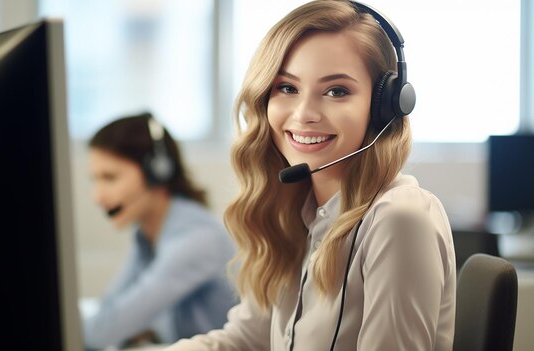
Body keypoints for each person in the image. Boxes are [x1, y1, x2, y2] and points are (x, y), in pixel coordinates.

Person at [164, 1, 456, 350]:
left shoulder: (400, 221)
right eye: (287, 88)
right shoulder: (297, 213)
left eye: (336, 91)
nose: (304, 114)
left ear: (384, 106)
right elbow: (246, 340)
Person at [82, 112, 237, 350]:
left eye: (110, 178)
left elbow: (103, 331)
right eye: (95, 180)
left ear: (157, 171)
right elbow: (110, 309)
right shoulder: (147, 233)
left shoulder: (197, 239)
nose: (98, 197)